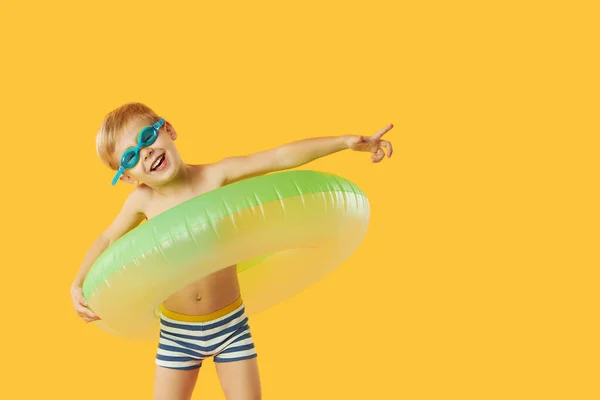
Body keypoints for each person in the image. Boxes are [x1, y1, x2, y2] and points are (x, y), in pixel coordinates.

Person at [70, 102, 394, 400]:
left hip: (230, 325)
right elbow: (107, 239)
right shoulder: (142, 202)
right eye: (130, 157)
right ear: (127, 177)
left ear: (168, 129)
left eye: (146, 137)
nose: (145, 153)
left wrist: (346, 142)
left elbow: (279, 157)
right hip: (177, 333)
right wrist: (78, 283)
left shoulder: (215, 176)